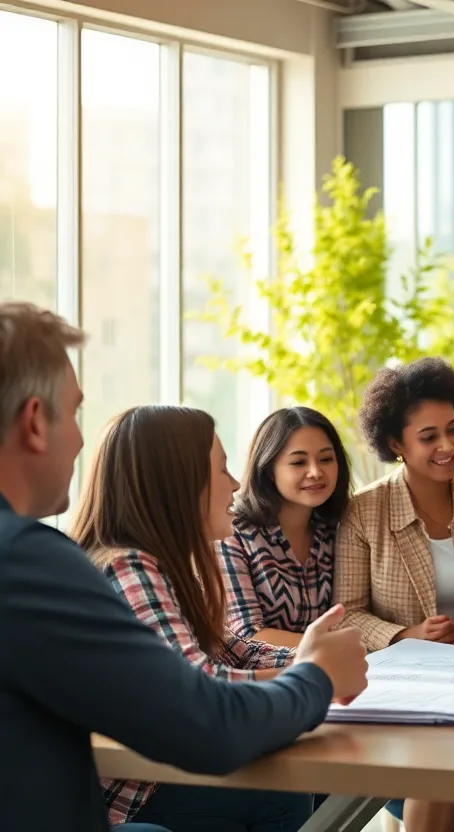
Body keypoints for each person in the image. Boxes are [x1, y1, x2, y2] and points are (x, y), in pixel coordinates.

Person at [0, 302, 367, 832]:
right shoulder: (32, 562)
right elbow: (207, 723)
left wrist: (305, 662)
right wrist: (313, 674)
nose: (82, 441)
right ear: (36, 421)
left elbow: (213, 659)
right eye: (75, 411)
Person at [72, 405, 326, 830]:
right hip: (130, 796)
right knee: (280, 793)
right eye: (222, 470)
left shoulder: (162, 566)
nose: (236, 484)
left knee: (301, 781)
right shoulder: (129, 568)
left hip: (158, 772)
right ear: (178, 483)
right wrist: (314, 671)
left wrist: (315, 654)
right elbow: (202, 685)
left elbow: (237, 653)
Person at [335, 357, 454, 832]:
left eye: (453, 429)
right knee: (443, 780)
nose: (447, 445)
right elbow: (346, 613)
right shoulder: (362, 512)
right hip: (398, 689)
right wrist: (405, 635)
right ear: (396, 443)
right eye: (428, 436)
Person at [220, 406, 352, 647]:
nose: (315, 472)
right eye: (298, 462)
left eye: (326, 459)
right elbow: (248, 635)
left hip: (336, 671)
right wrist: (332, 645)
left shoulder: (340, 527)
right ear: (269, 470)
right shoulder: (233, 532)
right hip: (260, 678)